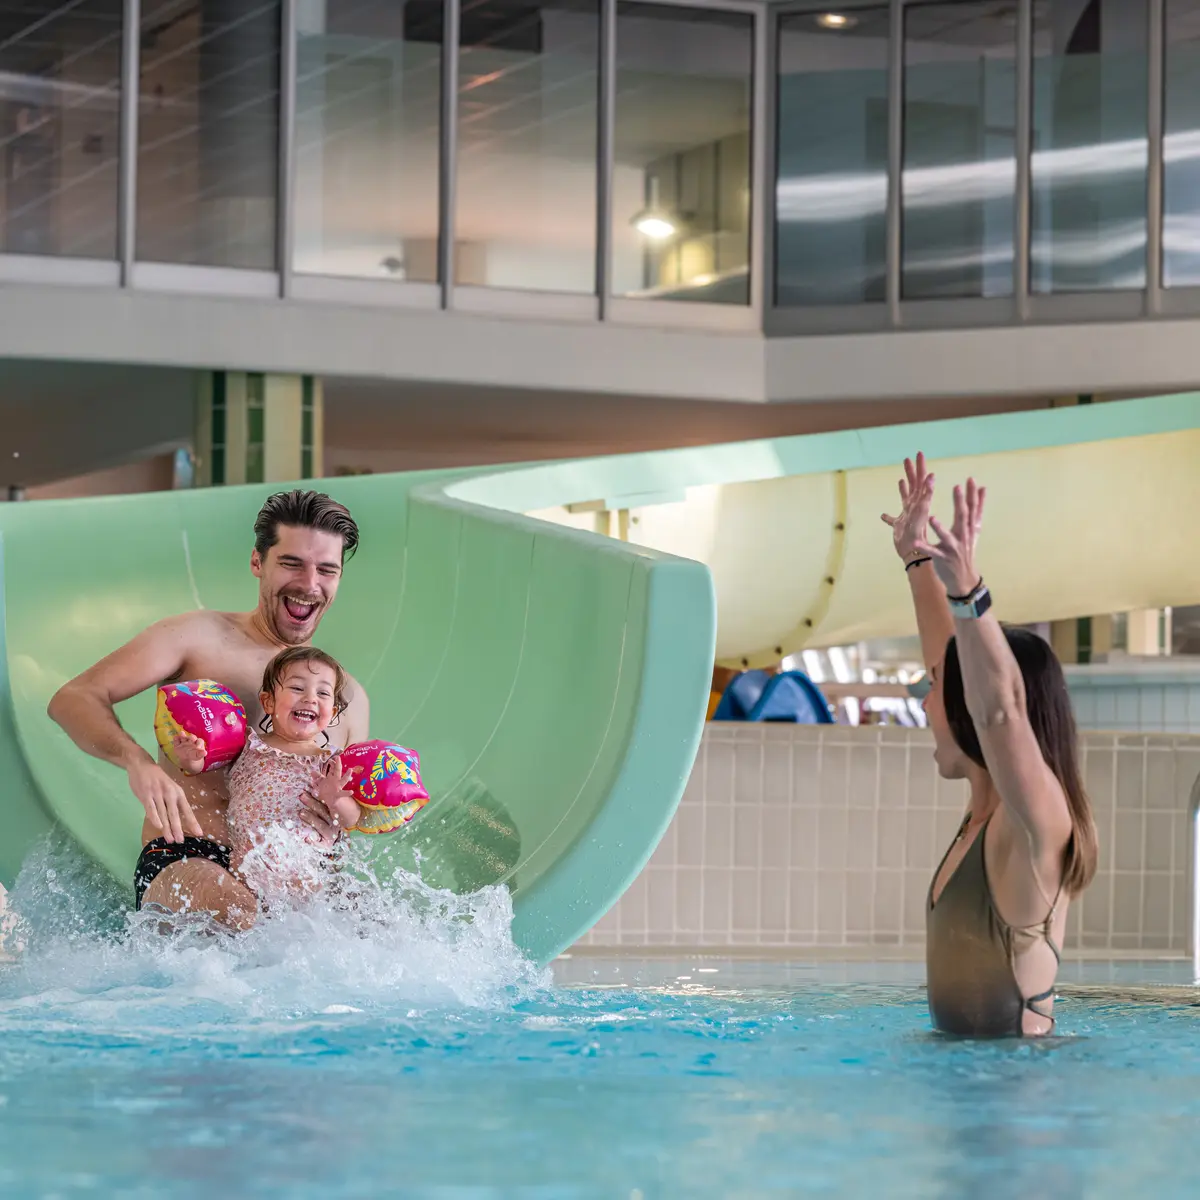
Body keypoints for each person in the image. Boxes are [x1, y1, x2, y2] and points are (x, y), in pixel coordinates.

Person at [47, 490, 370, 929]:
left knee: (378, 925)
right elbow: (74, 698)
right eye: (292, 563)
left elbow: (348, 823)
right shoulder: (195, 638)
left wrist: (336, 827)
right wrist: (137, 762)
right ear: (258, 562)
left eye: (327, 570)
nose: (309, 584)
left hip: (291, 881)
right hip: (189, 855)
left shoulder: (346, 698)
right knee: (243, 912)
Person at [882, 454, 1097, 1037]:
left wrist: (970, 594)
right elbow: (948, 663)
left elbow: (1000, 709)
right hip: (969, 1096)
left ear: (972, 714)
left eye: (936, 695)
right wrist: (916, 559)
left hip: (1018, 1106)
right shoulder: (985, 814)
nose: (926, 702)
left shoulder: (1032, 825)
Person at [168, 646, 360, 900]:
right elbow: (203, 768)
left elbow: (351, 819)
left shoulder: (332, 764)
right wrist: (192, 760)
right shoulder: (248, 744)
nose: (310, 698)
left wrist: (336, 800)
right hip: (246, 872)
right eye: (297, 688)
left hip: (304, 880)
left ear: (332, 712)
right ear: (268, 702)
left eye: (323, 692)